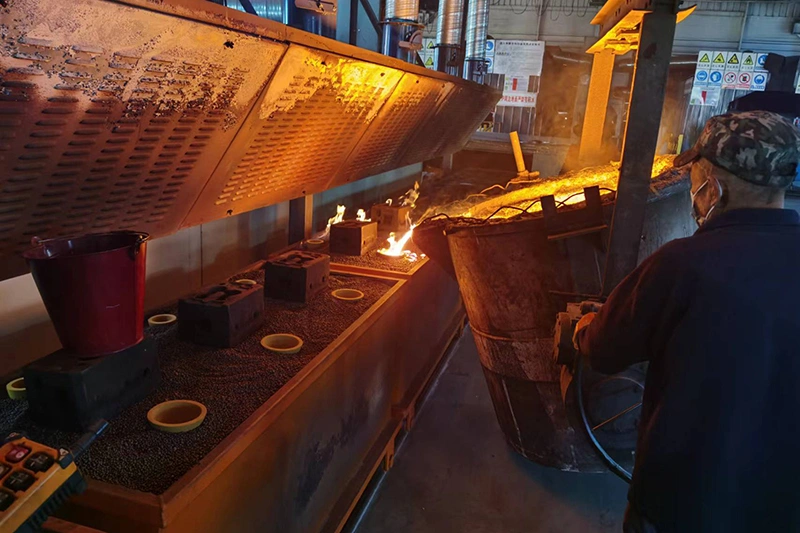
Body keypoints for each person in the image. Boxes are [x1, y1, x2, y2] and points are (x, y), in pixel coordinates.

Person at [573, 111, 800, 533]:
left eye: (695, 179)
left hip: (684, 501)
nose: (693, 193)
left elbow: (604, 350)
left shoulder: (682, 263)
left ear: (713, 185)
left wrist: (582, 327)